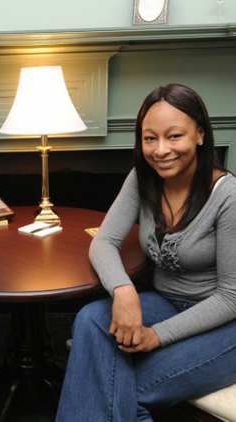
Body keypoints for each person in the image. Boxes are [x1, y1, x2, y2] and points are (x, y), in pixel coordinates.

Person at [55, 83, 236, 421]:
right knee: (91, 318)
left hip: (226, 324)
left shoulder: (228, 197)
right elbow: (104, 241)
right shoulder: (143, 178)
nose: (161, 150)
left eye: (174, 136)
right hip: (166, 303)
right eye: (150, 138)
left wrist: (157, 335)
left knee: (120, 389)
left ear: (199, 134)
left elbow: (231, 297)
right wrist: (124, 291)